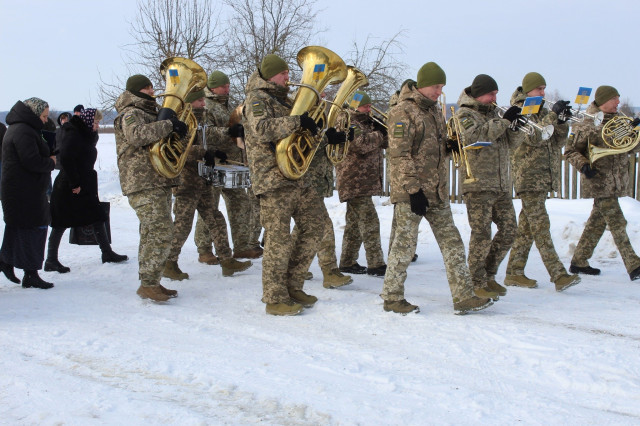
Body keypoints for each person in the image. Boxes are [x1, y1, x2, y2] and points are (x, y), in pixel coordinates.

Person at [382, 62, 493, 315]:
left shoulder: (434, 111)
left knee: (453, 243)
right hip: (412, 192)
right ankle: (392, 297)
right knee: (404, 246)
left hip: (437, 191)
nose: (439, 91)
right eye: (435, 86)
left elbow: (431, 149)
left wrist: (449, 147)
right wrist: (413, 190)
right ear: (422, 85)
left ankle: (464, 297)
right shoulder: (402, 111)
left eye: (442, 87)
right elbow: (399, 154)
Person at [244, 53, 345, 315]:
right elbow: (261, 129)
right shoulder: (257, 99)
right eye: (283, 73)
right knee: (278, 239)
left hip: (299, 178)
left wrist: (325, 135)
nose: (288, 77)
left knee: (315, 227)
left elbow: (303, 137)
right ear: (270, 76)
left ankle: (293, 285)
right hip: (273, 180)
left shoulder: (287, 101)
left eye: (289, 72)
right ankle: (275, 297)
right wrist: (297, 120)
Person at [163, 89, 252, 279]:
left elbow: (204, 139)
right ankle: (169, 262)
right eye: (199, 101)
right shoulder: (180, 121)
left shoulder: (199, 119)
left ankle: (227, 261)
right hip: (186, 182)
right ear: (189, 102)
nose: (203, 103)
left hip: (203, 179)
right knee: (183, 224)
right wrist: (204, 153)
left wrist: (214, 151)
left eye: (203, 99)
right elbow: (180, 148)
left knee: (215, 219)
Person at [504, 72, 581, 291]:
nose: (543, 93)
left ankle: (514, 272)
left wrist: (562, 122)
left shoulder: (544, 112)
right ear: (528, 90)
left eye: (544, 88)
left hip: (542, 177)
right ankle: (558, 274)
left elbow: (557, 142)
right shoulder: (520, 112)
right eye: (539, 89)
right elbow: (534, 138)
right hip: (528, 176)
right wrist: (553, 117)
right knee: (541, 227)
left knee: (527, 228)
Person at [114, 74, 187, 302]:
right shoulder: (130, 113)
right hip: (142, 182)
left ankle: (151, 281)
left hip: (158, 180)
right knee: (159, 230)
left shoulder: (151, 113)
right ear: (136, 91)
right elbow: (136, 135)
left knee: (154, 231)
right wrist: (168, 125)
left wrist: (176, 131)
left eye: (151, 87)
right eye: (147, 88)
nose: (153, 91)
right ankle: (148, 284)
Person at [455, 74, 523, 300]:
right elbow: (474, 136)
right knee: (482, 234)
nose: (495, 98)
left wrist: (515, 128)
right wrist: (504, 122)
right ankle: (476, 281)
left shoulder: (494, 114)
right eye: (491, 94)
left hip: (501, 184)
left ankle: (489, 274)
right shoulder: (465, 114)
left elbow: (510, 144)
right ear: (478, 94)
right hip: (478, 184)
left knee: (510, 230)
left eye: (496, 94)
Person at [565, 85, 640, 281]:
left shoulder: (620, 120)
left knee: (597, 223)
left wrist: (636, 131)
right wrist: (583, 165)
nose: (618, 102)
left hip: (615, 181)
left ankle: (579, 261)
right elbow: (570, 151)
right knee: (617, 221)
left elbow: (630, 148)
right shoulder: (586, 122)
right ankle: (634, 265)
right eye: (614, 98)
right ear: (603, 101)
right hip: (598, 180)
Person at [45, 108, 128, 273]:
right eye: (96, 122)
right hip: (69, 186)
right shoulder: (73, 134)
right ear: (88, 121)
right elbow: (66, 158)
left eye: (98, 123)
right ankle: (51, 260)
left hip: (84, 184)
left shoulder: (86, 134)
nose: (97, 126)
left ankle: (107, 252)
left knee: (97, 215)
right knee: (61, 222)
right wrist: (74, 183)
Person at [193, 70, 261, 263]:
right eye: (223, 86)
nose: (227, 89)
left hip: (233, 165)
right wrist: (229, 132)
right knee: (210, 208)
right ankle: (204, 249)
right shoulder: (205, 106)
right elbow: (204, 132)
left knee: (241, 204)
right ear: (213, 87)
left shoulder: (230, 105)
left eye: (228, 85)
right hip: (213, 163)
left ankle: (242, 246)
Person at [0, 98, 57, 289]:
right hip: (25, 192)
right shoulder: (23, 131)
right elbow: (31, 161)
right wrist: (51, 162)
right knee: (35, 229)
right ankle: (30, 273)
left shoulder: (20, 128)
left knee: (20, 228)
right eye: (43, 116)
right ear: (34, 113)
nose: (45, 120)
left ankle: (8, 262)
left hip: (22, 190)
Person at [336, 90, 388, 277]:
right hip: (354, 181)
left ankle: (347, 262)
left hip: (365, 182)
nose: (369, 109)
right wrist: (379, 134)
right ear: (355, 107)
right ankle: (376, 264)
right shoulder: (347, 121)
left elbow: (385, 143)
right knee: (370, 222)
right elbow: (361, 144)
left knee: (354, 225)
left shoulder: (368, 122)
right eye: (365, 106)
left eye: (369, 106)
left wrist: (384, 130)